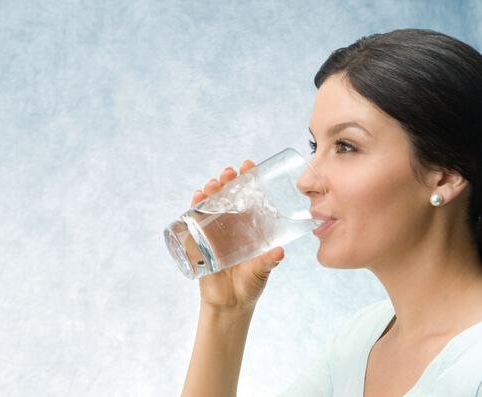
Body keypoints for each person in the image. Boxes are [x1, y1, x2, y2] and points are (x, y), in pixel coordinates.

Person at [181, 28, 482, 396]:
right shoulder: (359, 343)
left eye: (345, 146)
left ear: (445, 176)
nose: (306, 181)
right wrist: (225, 312)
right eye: (314, 144)